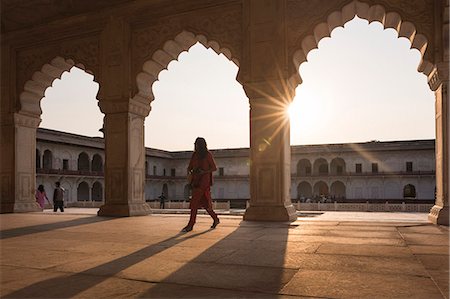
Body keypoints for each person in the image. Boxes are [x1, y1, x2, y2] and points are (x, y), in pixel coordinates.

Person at [182, 137, 220, 232]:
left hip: (204, 182)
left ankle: (191, 224)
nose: (195, 146)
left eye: (197, 144)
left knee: (194, 204)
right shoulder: (195, 155)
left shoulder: (207, 155)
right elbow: (189, 167)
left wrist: (203, 171)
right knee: (205, 204)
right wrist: (190, 173)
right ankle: (215, 219)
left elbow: (214, 168)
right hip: (196, 181)